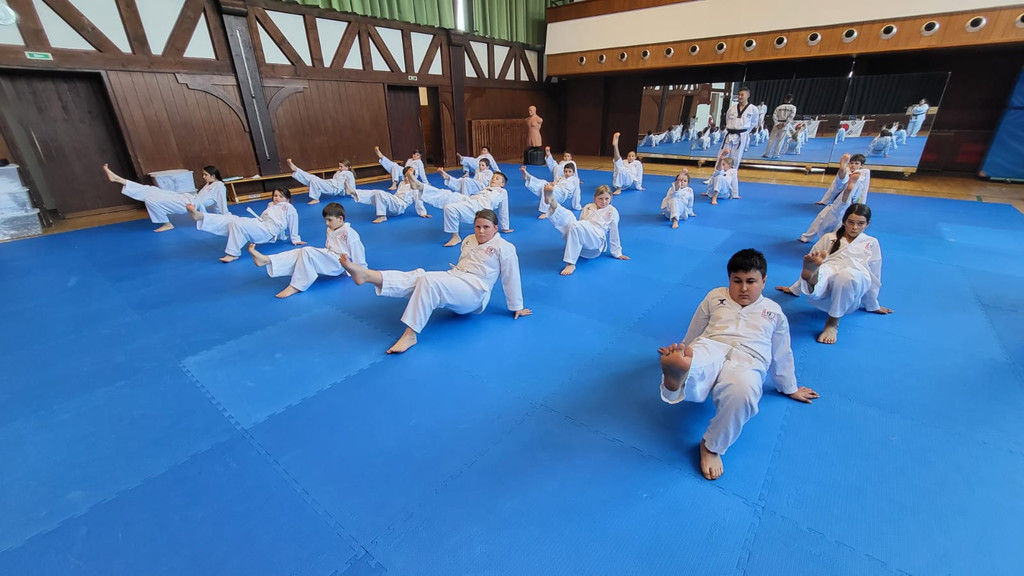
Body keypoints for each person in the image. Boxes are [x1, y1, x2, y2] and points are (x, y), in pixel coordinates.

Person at [658, 248, 819, 481]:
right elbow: (697, 327)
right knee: (695, 364)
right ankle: (675, 379)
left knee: (743, 392)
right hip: (712, 345)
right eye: (737, 281)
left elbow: (782, 352)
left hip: (750, 358)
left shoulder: (774, 312)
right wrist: (682, 349)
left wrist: (789, 387)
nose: (743, 288)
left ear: (764, 281)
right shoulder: (716, 296)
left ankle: (711, 446)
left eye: (751, 281)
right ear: (729, 279)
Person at [339, 208, 531, 354]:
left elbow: (511, 276)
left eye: (486, 227)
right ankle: (369, 276)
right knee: (420, 276)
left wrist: (517, 306)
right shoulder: (469, 239)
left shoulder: (504, 247)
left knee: (430, 280)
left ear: (496, 228)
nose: (481, 231)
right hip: (457, 278)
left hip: (475, 292)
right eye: (477, 226)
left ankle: (411, 334)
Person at [777, 204, 892, 344]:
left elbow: (875, 274)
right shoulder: (829, 238)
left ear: (867, 224)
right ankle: (811, 279)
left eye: (860, 223)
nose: (854, 227)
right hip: (830, 269)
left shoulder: (871, 243)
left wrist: (872, 304)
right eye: (850, 222)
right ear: (843, 221)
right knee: (822, 272)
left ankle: (832, 323)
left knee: (845, 277)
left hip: (857, 276)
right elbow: (811, 260)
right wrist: (795, 288)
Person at [248, 202, 366, 298]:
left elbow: (358, 252)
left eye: (329, 220)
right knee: (300, 252)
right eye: (325, 220)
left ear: (340, 219)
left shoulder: (349, 233)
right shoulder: (331, 229)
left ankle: (297, 285)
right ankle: (267, 260)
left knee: (307, 251)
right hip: (330, 257)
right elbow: (328, 247)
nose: (326, 223)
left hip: (341, 263)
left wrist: (360, 271)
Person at [187, 187, 302, 263]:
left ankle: (233, 254)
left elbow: (291, 222)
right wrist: (282, 236)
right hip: (260, 224)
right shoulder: (270, 204)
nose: (277, 198)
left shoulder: (288, 207)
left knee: (238, 224)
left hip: (267, 231)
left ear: (287, 199)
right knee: (231, 219)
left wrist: (295, 238)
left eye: (281, 196)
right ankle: (202, 217)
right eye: (275, 195)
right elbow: (277, 221)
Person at [102, 163, 227, 233]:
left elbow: (221, 203)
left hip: (189, 203)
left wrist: (224, 218)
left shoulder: (219, 186)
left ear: (213, 176)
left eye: (205, 175)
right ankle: (118, 179)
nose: (203, 177)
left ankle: (167, 224)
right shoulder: (210, 184)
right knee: (151, 190)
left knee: (151, 200)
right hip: (186, 198)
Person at [543, 184, 628, 276]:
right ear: (595, 198)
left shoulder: (612, 211)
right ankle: (552, 201)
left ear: (611, 198)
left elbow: (614, 232)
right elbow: (581, 224)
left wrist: (617, 253)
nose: (604, 202)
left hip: (596, 240)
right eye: (600, 198)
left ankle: (571, 263)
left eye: (607, 199)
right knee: (568, 218)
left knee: (575, 225)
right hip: (582, 244)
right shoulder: (588, 207)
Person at [416, 171, 513, 246]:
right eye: (493, 177)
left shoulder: (502, 192)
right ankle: (422, 188)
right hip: (471, 200)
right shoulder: (485, 187)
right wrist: (449, 178)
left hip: (481, 207)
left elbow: (503, 210)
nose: (493, 179)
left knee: (450, 208)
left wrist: (505, 227)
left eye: (497, 178)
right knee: (449, 195)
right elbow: (466, 183)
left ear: (502, 184)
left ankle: (455, 237)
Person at [801, 154, 868, 243]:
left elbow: (862, 194)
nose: (853, 165)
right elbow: (834, 187)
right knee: (822, 216)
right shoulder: (849, 173)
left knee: (831, 223)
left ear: (861, 166)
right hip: (836, 202)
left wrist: (860, 209)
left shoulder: (862, 177)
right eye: (851, 163)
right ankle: (807, 237)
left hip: (849, 207)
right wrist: (824, 200)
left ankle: (827, 241)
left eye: (856, 163)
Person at [351, 165, 429, 224]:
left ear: (413, 176)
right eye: (405, 176)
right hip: (395, 200)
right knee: (376, 192)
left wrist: (423, 213)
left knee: (380, 193)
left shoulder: (415, 187)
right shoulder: (402, 183)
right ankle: (355, 193)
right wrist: (389, 199)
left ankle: (382, 216)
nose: (406, 178)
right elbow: (397, 194)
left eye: (408, 176)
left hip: (400, 206)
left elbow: (418, 199)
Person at [287, 158, 354, 205]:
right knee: (312, 178)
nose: (339, 168)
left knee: (314, 180)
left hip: (333, 188)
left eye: (341, 166)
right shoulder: (338, 172)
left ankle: (316, 199)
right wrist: (341, 193)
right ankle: (296, 169)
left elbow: (351, 184)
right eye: (339, 166)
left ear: (347, 167)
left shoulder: (349, 174)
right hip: (330, 184)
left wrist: (353, 194)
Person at [722, 87, 759, 167]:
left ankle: (732, 174)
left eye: (742, 95)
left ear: (748, 95)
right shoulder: (732, 108)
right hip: (729, 134)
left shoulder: (753, 109)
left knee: (736, 157)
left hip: (741, 135)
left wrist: (745, 132)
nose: (739, 97)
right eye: (739, 95)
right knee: (722, 155)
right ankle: (718, 174)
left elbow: (754, 122)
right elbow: (727, 119)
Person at [764, 94, 797, 160]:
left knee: (771, 139)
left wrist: (777, 123)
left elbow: (774, 116)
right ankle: (775, 155)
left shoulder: (779, 107)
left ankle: (767, 153)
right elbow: (791, 117)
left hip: (777, 124)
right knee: (780, 141)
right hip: (784, 125)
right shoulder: (793, 108)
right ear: (791, 99)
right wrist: (784, 124)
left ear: (785, 99)